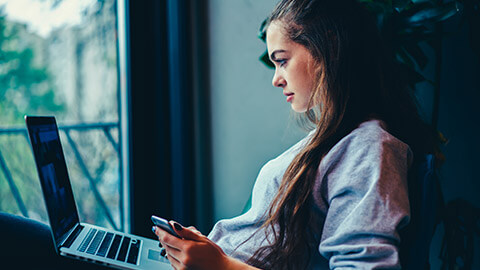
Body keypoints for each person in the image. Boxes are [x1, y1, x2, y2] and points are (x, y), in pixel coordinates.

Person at [153, 0, 439, 269]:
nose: (276, 79)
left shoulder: (369, 147)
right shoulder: (333, 139)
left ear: (328, 46)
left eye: (282, 60)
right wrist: (209, 251)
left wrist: (221, 265)